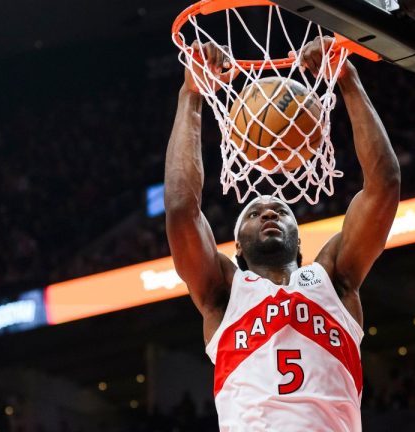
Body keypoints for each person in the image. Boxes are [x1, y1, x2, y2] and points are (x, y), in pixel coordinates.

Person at [165, 36, 401, 431]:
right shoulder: (223, 295)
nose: (269, 212)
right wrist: (191, 93)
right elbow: (180, 210)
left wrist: (347, 78)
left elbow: (385, 185)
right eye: (254, 212)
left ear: (299, 236)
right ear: (237, 245)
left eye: (281, 210)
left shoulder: (335, 280)